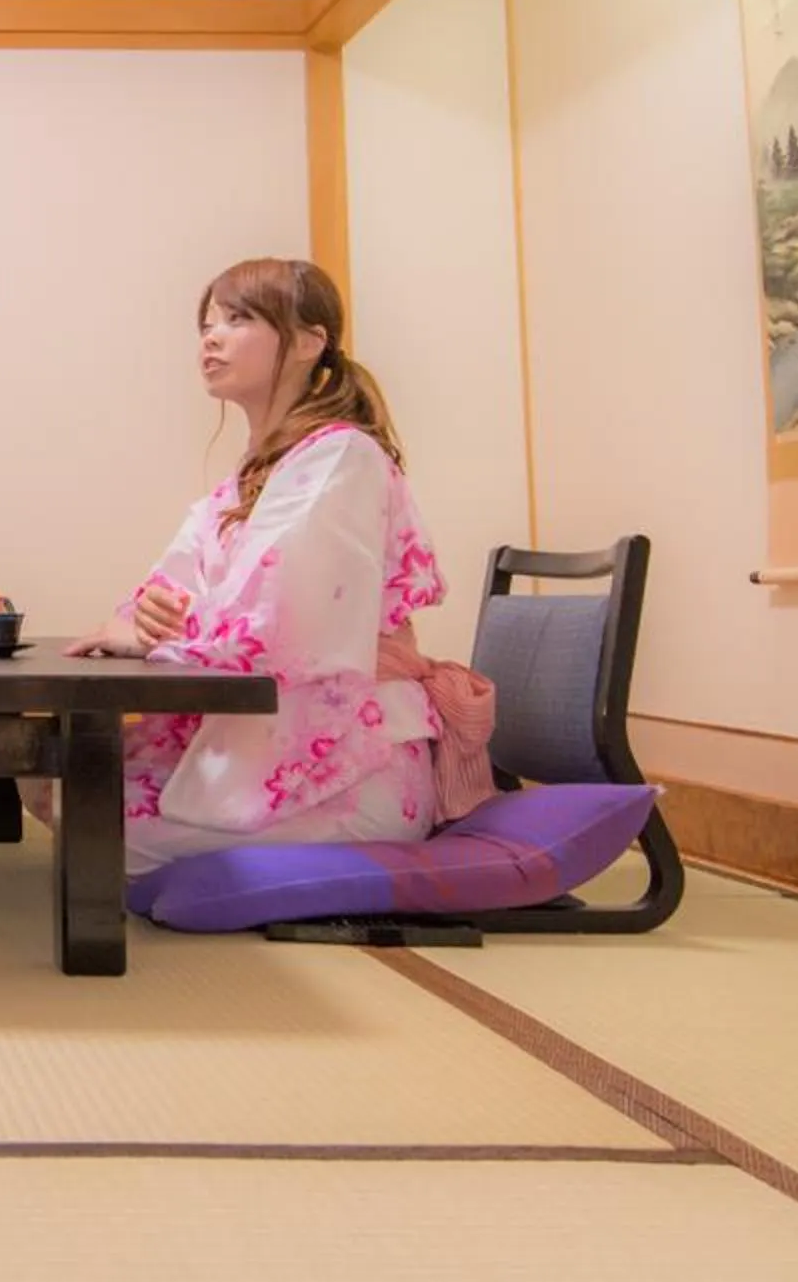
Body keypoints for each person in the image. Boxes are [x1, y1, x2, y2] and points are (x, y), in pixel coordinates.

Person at [66, 258, 493, 876]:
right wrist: (145, 621)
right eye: (206, 323)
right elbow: (160, 592)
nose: (210, 338)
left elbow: (270, 624)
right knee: (57, 786)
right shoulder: (255, 475)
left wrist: (159, 632)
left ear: (309, 342)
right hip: (280, 747)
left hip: (355, 763)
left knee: (96, 827)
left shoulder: (342, 457)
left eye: (237, 319)